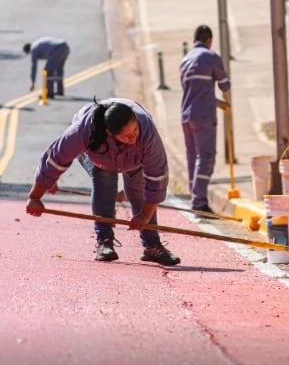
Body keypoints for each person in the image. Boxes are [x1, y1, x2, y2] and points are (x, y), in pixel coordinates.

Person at [25, 98, 181, 266]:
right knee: (105, 179)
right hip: (98, 156)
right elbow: (55, 159)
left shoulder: (146, 132)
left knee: (138, 189)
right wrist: (36, 195)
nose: (134, 136)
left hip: (134, 159)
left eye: (135, 130)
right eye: (128, 135)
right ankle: (104, 241)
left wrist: (143, 215)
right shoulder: (83, 130)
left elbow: (157, 178)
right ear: (109, 133)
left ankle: (152, 246)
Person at [179, 24, 231, 213]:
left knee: (193, 157)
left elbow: (197, 91)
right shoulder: (210, 56)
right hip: (204, 116)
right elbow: (224, 84)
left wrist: (217, 102)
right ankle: (199, 201)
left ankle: (195, 196)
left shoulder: (185, 60)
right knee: (206, 156)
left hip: (186, 115)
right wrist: (225, 95)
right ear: (209, 40)